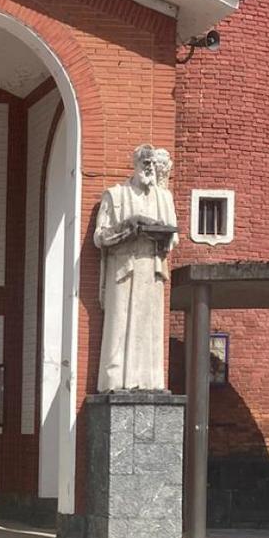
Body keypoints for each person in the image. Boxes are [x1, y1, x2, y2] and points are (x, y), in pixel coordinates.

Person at [93, 144, 178, 392]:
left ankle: (150, 381)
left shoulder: (164, 197)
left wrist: (162, 235)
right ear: (136, 164)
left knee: (150, 328)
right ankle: (116, 381)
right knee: (120, 323)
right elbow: (100, 237)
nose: (149, 167)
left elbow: (173, 237)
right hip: (123, 269)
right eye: (145, 163)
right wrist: (127, 228)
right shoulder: (115, 195)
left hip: (152, 269)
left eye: (152, 163)